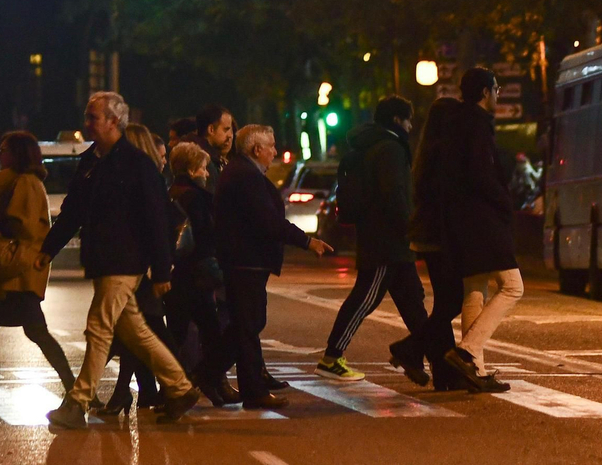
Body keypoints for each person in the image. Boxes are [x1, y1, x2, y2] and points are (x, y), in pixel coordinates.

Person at [40, 92, 200, 430]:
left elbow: (156, 219)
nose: (87, 124)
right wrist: (47, 249)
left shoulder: (136, 164)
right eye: (87, 116)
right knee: (136, 332)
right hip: (103, 260)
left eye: (93, 117)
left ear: (115, 122)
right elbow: (73, 212)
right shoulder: (92, 162)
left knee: (99, 328)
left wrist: (160, 268)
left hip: (124, 262)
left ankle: (77, 402)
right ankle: (181, 388)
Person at [0, 131, 74, 420]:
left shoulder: (26, 183)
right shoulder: (14, 182)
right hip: (10, 274)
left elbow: (24, 226)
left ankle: (75, 390)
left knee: (30, 331)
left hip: (17, 272)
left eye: (4, 149)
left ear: (18, 154)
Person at [209, 124, 333, 409]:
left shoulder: (244, 173)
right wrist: (307, 241)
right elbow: (268, 221)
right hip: (245, 261)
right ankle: (248, 388)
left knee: (246, 325)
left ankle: (207, 371)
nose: (275, 152)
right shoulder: (246, 176)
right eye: (272, 146)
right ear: (256, 149)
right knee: (248, 327)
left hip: (244, 261)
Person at [317, 95, 426, 384]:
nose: (411, 125)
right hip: (387, 242)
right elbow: (395, 196)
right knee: (364, 298)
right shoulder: (390, 148)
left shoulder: (369, 146)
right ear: (396, 120)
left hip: (383, 238)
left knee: (414, 302)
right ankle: (332, 356)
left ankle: (426, 359)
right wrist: (411, 227)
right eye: (408, 119)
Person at [440, 67, 523, 393]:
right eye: (497, 88)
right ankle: (467, 351)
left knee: (474, 288)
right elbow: (481, 173)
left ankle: (474, 369)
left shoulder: (455, 124)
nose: (499, 94)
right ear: (486, 92)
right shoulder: (476, 125)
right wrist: (503, 202)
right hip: (482, 219)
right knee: (513, 286)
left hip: (461, 220)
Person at [99, 123, 178, 416]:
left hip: (141, 272)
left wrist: (159, 271)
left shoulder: (146, 182)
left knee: (130, 334)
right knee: (133, 334)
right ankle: (152, 391)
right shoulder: (139, 179)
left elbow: (157, 230)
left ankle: (175, 387)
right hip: (137, 271)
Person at [410, 96, 476, 391]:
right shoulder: (444, 152)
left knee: (444, 303)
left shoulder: (428, 149)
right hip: (440, 236)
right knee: (451, 301)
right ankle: (410, 348)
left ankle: (444, 373)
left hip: (428, 235)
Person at [164, 143, 227, 394]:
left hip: (174, 273)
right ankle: (204, 381)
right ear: (192, 170)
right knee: (213, 334)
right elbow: (206, 235)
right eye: (203, 168)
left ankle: (172, 385)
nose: (207, 173)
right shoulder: (197, 198)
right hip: (197, 274)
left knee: (176, 332)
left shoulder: (168, 194)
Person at [195, 105, 235, 191]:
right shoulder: (203, 161)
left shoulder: (214, 159)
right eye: (226, 129)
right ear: (211, 129)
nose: (230, 136)